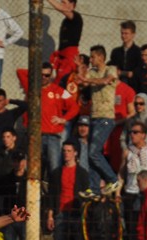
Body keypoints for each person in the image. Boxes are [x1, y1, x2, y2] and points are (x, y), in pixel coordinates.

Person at [77, 45, 120, 197]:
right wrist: (80, 70)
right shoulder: (91, 72)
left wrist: (87, 79)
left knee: (94, 152)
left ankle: (113, 179)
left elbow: (106, 80)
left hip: (106, 118)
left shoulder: (111, 69)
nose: (91, 59)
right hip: (94, 117)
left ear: (101, 57)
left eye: (93, 57)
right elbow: (82, 83)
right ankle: (94, 188)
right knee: (92, 153)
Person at [47, 140, 89, 240]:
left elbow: (87, 194)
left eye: (69, 150)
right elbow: (52, 195)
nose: (66, 153)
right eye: (64, 150)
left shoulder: (83, 173)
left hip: (77, 215)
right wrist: (50, 215)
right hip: (61, 214)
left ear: (76, 153)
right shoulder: (56, 172)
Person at [41, 61, 78, 173]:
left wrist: (64, 119)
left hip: (53, 136)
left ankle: (54, 190)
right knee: (36, 167)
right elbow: (20, 72)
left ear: (51, 75)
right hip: (37, 135)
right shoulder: (33, 89)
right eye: (41, 74)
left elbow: (74, 107)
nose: (43, 77)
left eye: (47, 75)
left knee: (55, 168)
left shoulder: (60, 91)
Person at [46, 0, 81, 84]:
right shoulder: (65, 21)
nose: (61, 4)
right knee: (57, 81)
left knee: (65, 81)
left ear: (72, 4)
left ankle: (67, 97)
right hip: (62, 57)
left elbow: (62, 9)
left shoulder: (76, 17)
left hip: (69, 57)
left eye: (64, 2)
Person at [109, 20, 140, 88]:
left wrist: (121, 73)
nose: (123, 36)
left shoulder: (138, 52)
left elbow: (137, 72)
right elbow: (112, 68)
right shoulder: (116, 52)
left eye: (126, 33)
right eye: (122, 33)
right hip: (117, 85)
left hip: (134, 85)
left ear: (133, 34)